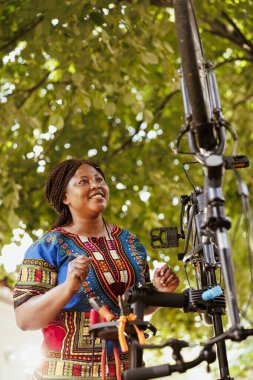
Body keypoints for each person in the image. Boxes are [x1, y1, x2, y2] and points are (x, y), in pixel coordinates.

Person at [13, 158, 179, 380]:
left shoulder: (130, 243)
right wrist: (68, 288)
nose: (96, 185)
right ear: (65, 197)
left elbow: (136, 308)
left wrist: (160, 292)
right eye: (84, 181)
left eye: (99, 179)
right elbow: (25, 319)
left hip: (129, 370)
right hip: (63, 373)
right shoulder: (48, 246)